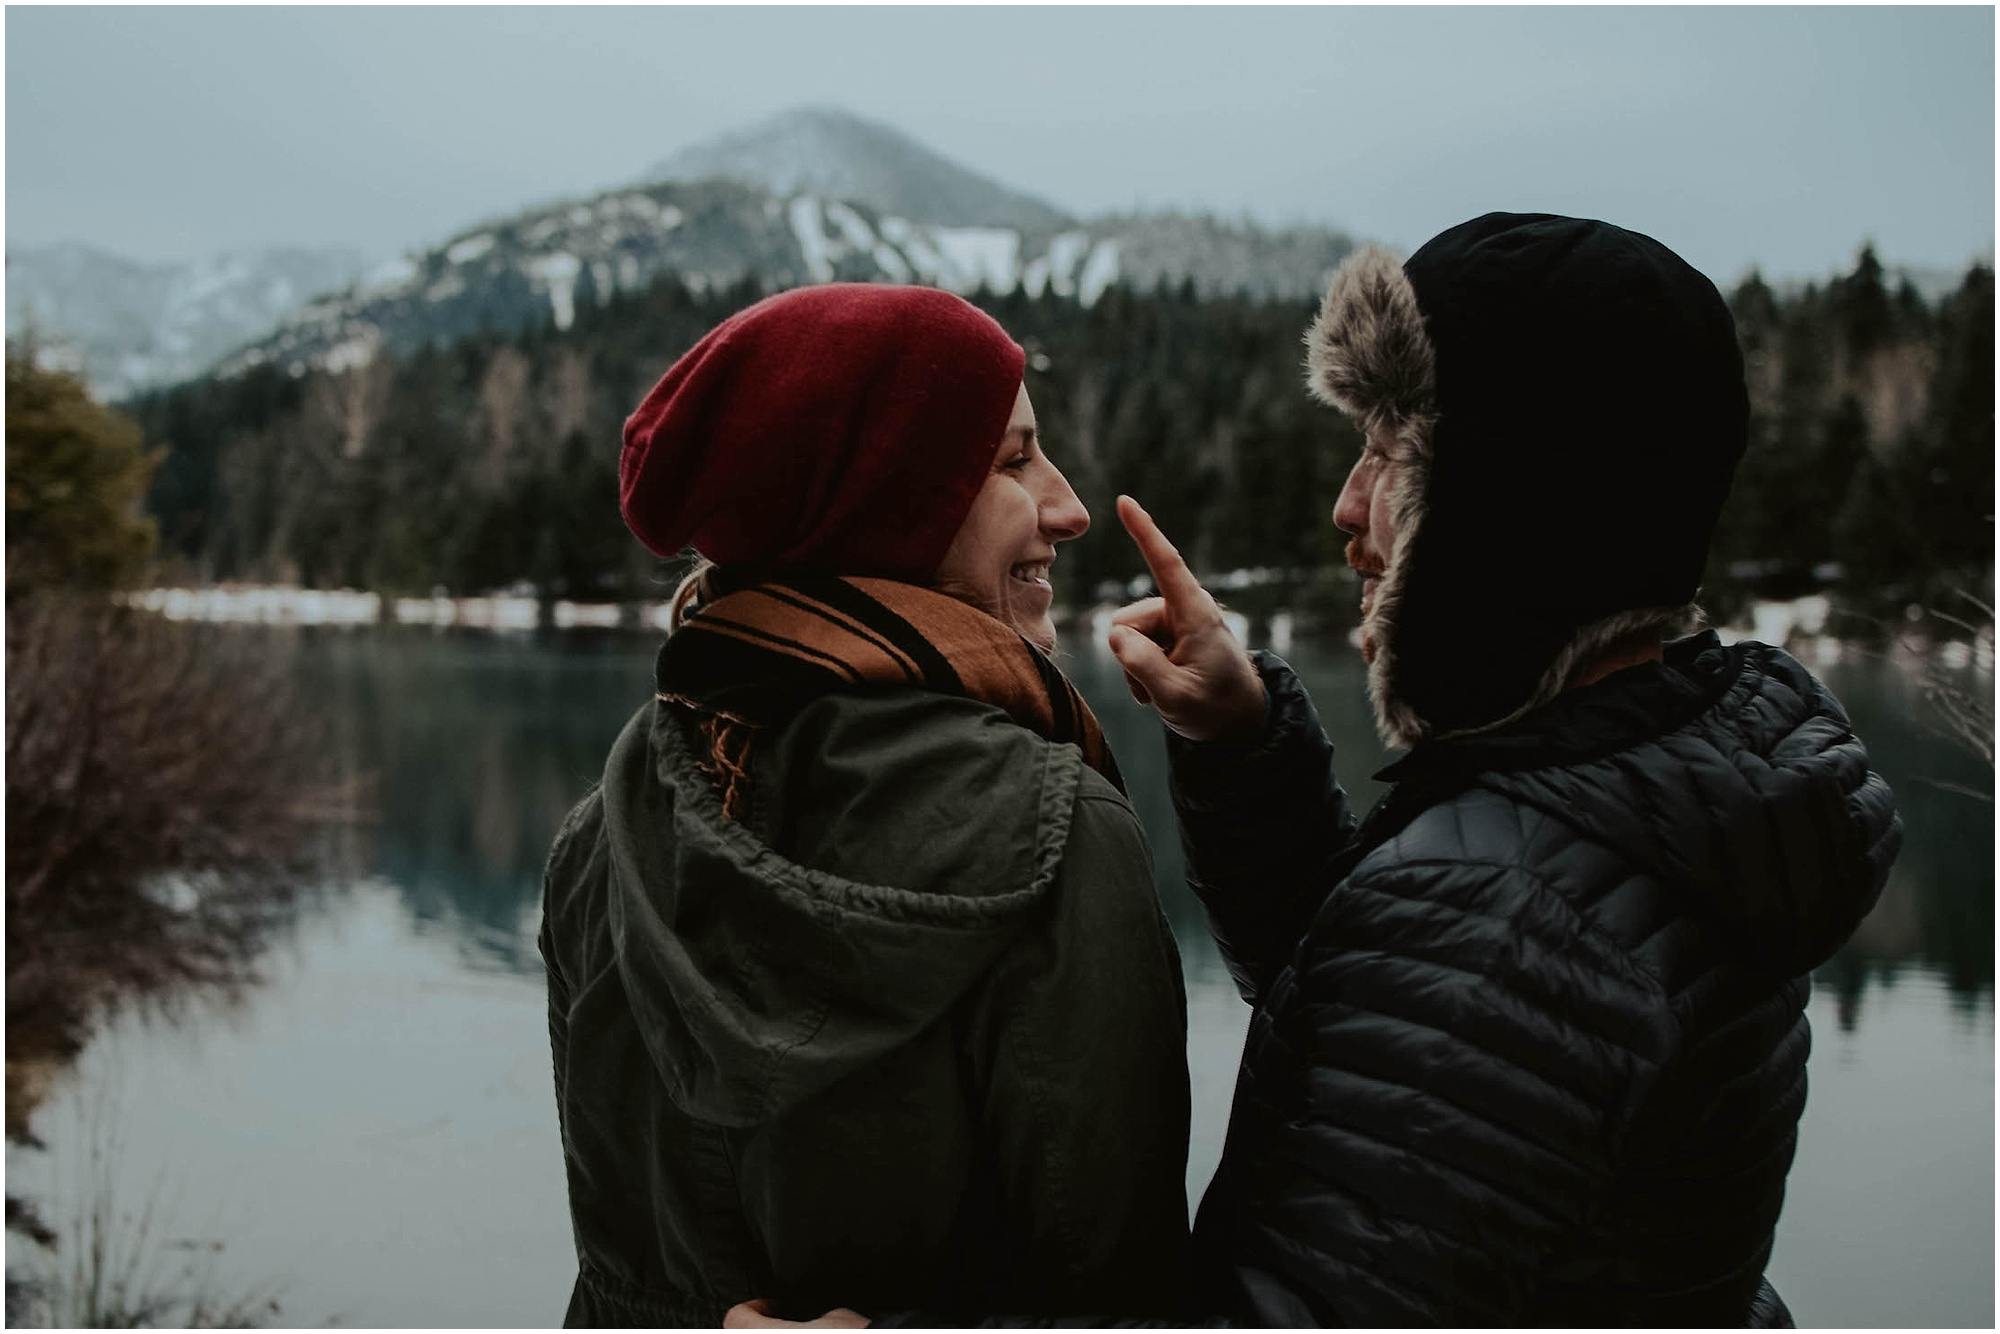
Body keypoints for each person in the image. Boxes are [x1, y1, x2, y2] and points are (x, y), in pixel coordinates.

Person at [731, 213, 1903, 1328]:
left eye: (1387, 453)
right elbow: (1391, 1027)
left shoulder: (1513, 911)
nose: (1346, 505)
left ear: (1517, 500)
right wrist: (1245, 748)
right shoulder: (1649, 788)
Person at [539, 283, 1191, 1327]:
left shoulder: (604, 825)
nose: (1068, 506)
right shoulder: (1055, 830)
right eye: (1014, 460)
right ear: (889, 508)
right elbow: (1121, 1298)